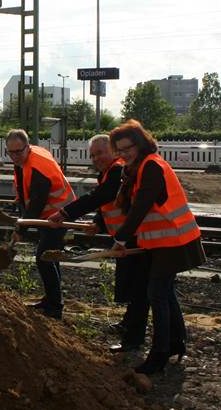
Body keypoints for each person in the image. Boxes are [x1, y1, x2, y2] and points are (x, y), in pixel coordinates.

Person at [108, 120, 205, 375]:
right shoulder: (140, 168)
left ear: (139, 144)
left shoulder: (151, 167)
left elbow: (141, 208)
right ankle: (175, 341)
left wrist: (120, 239)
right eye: (118, 150)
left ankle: (159, 355)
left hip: (174, 241)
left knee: (157, 295)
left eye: (126, 148)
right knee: (165, 293)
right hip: (165, 241)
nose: (123, 154)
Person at [47, 134, 152, 352]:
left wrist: (66, 212)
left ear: (113, 152)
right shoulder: (109, 174)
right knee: (130, 285)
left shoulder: (117, 170)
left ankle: (133, 339)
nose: (96, 158)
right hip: (125, 237)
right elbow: (109, 204)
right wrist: (98, 224)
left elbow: (100, 197)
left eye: (100, 153)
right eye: (92, 155)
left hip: (135, 237)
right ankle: (129, 325)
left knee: (138, 288)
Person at [6, 129, 75, 320]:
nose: (14, 156)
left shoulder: (37, 168)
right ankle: (52, 299)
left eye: (18, 152)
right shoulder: (25, 159)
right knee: (50, 258)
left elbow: (36, 203)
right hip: (48, 217)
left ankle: (55, 307)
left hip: (59, 215)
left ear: (27, 147)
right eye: (10, 152)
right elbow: (26, 191)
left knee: (44, 258)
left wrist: (21, 229)